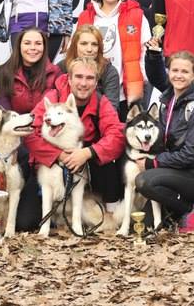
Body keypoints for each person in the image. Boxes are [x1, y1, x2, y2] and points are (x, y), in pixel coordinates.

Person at [17, 56, 126, 231]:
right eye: (79, 77)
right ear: (69, 78)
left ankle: (107, 214)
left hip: (84, 165)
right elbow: (30, 132)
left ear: (96, 82)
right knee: (25, 223)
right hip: (49, 164)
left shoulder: (100, 102)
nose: (83, 83)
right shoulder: (53, 97)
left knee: (108, 162)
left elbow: (117, 135)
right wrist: (57, 154)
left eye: (89, 78)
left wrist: (88, 153)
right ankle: (56, 216)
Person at [138, 49, 194, 232]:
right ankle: (177, 209)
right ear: (169, 72)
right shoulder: (167, 99)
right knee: (143, 226)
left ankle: (192, 208)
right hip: (171, 171)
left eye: (185, 71)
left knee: (144, 182)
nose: (179, 75)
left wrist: (154, 162)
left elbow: (193, 153)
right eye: (175, 70)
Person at [76, 0, 151, 119]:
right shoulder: (85, 16)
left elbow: (146, 50)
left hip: (126, 94)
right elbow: (74, 52)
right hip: (89, 92)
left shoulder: (136, 15)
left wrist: (142, 78)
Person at [0, 28, 61, 115]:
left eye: (38, 43)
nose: (32, 48)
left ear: (44, 47)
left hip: (44, 125)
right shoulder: (2, 73)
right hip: (13, 126)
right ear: (19, 46)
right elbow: (5, 113)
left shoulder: (56, 73)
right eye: (27, 43)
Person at [57, 25, 121, 110]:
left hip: (98, 119)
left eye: (94, 44)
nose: (89, 49)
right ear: (75, 45)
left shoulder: (109, 71)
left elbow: (112, 109)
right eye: (84, 44)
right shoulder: (61, 67)